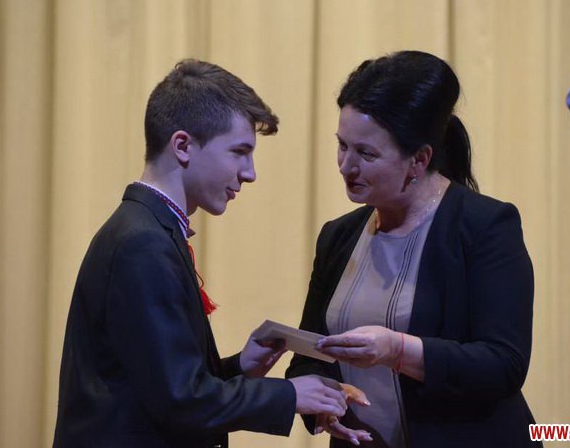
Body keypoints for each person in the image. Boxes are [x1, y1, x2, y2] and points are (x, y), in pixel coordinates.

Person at [53, 59, 349, 448]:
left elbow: (159, 386)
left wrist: (240, 367)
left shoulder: (145, 229)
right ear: (183, 146)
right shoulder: (143, 244)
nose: (250, 173)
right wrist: (290, 394)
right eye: (239, 151)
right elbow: (180, 402)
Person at [286, 51, 540, 447]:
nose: (346, 165)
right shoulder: (338, 236)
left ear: (419, 159)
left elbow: (503, 364)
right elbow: (310, 355)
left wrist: (397, 350)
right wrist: (323, 402)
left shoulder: (485, 226)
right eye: (342, 146)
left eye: (366, 153)